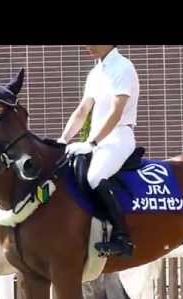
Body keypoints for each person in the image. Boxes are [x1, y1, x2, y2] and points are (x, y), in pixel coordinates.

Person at [58, 45, 140, 257]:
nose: (87, 46)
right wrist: (63, 140)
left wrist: (92, 143)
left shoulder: (123, 67)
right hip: (98, 139)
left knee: (95, 176)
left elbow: (116, 112)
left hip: (119, 137)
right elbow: (82, 111)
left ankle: (122, 237)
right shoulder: (95, 72)